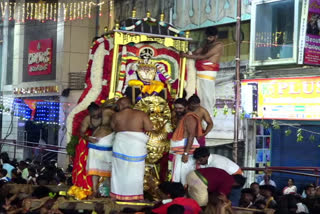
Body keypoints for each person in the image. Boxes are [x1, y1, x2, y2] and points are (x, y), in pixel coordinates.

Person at [110, 97, 153, 201]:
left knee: (118, 171)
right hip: (135, 146)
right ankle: (135, 196)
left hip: (120, 144)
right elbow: (149, 128)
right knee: (136, 172)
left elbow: (113, 128)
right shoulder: (141, 114)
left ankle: (117, 196)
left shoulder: (116, 115)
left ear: (120, 105)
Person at [182, 26, 224, 114]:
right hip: (200, 73)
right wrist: (188, 53)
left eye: (211, 37)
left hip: (208, 74)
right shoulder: (207, 44)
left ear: (216, 36)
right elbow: (197, 52)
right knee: (199, 97)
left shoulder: (218, 45)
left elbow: (205, 56)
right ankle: (200, 118)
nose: (208, 39)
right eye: (207, 37)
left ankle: (208, 117)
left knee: (207, 98)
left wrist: (188, 56)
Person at [80, 102, 115, 197]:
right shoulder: (87, 119)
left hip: (109, 144)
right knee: (94, 169)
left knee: (110, 169)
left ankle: (112, 191)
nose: (96, 116)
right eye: (93, 115)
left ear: (100, 109)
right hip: (95, 146)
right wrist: (88, 138)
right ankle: (95, 190)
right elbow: (82, 133)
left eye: (97, 114)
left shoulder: (108, 113)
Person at [170, 98, 203, 185]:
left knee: (185, 179)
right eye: (176, 108)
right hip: (179, 153)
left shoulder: (189, 117)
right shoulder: (181, 117)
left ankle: (185, 197)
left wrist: (186, 154)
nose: (178, 110)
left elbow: (191, 136)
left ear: (186, 107)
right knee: (178, 178)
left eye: (180, 108)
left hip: (186, 153)